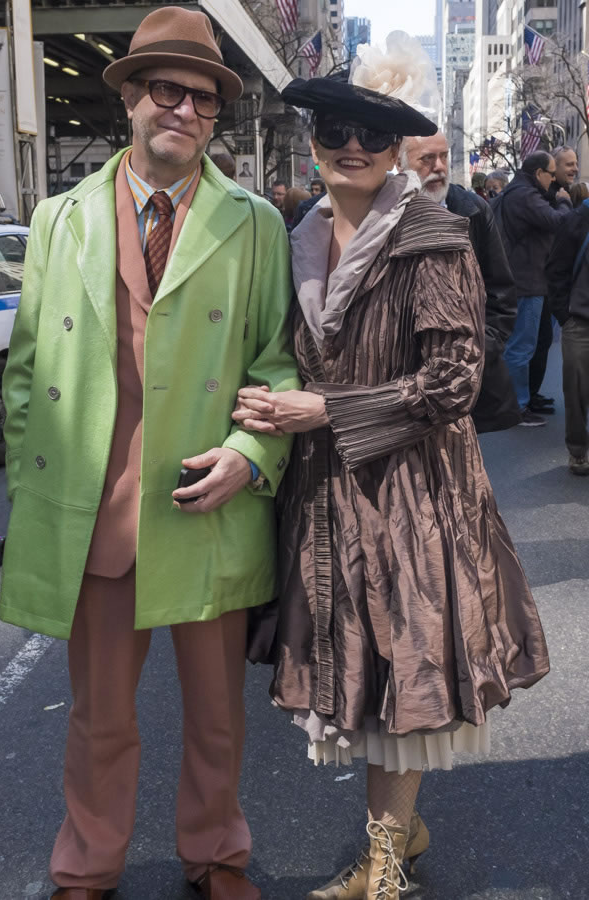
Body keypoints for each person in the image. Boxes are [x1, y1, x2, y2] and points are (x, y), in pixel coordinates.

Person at [0, 8, 299, 900]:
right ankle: (87, 865)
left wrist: (251, 457)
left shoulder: (255, 226)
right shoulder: (59, 220)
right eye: (166, 89)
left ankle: (216, 855)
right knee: (98, 718)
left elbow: (275, 360)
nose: (184, 109)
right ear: (129, 97)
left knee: (216, 718)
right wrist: (35, 485)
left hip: (205, 502)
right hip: (93, 510)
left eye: (202, 99)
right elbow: (25, 374)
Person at [233, 60, 549, 900]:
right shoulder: (298, 236)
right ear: (312, 141)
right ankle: (399, 834)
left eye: (374, 133)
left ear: (398, 147)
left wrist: (324, 411)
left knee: (406, 683)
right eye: (335, 129)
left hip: (414, 496)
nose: (353, 146)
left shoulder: (431, 234)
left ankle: (384, 865)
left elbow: (454, 380)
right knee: (363, 684)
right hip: (329, 495)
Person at [399, 131, 520, 433]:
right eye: (427, 159)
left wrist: (480, 352)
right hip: (403, 388)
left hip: (467, 381)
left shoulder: (472, 210)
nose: (439, 167)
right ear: (399, 163)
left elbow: (501, 292)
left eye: (443, 157)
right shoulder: (384, 215)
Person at [491, 150, 572, 425]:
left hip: (530, 280)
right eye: (551, 173)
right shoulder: (525, 195)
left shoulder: (521, 192)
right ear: (539, 173)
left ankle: (527, 397)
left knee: (533, 344)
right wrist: (563, 203)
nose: (553, 179)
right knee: (521, 347)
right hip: (527, 282)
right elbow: (557, 221)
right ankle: (517, 407)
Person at [529, 147, 581, 417]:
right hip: (542, 283)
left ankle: (531, 395)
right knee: (534, 343)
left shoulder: (560, 195)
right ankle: (525, 399)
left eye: (575, 163)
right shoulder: (549, 197)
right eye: (567, 165)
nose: (573, 168)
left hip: (552, 286)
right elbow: (559, 227)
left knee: (541, 342)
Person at [546, 192, 589, 474]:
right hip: (581, 321)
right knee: (576, 391)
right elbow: (556, 269)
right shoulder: (578, 219)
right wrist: (565, 315)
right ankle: (578, 452)